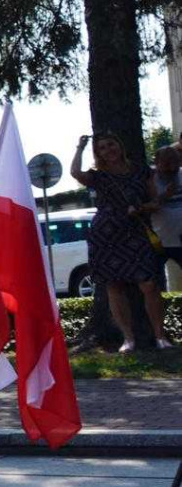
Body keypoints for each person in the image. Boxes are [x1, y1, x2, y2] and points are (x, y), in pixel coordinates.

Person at [71, 132, 173, 352]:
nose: (109, 150)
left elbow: (155, 202)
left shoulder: (141, 170)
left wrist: (141, 208)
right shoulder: (98, 176)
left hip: (136, 231)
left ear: (120, 145)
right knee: (114, 286)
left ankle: (160, 336)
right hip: (106, 235)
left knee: (149, 284)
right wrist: (80, 148)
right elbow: (75, 173)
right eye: (102, 148)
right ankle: (128, 339)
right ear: (98, 154)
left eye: (111, 144)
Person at [153, 143, 182, 291]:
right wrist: (165, 195)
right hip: (158, 241)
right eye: (166, 163)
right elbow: (144, 206)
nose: (172, 167)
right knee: (155, 283)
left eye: (175, 162)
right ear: (157, 163)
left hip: (180, 238)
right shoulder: (150, 180)